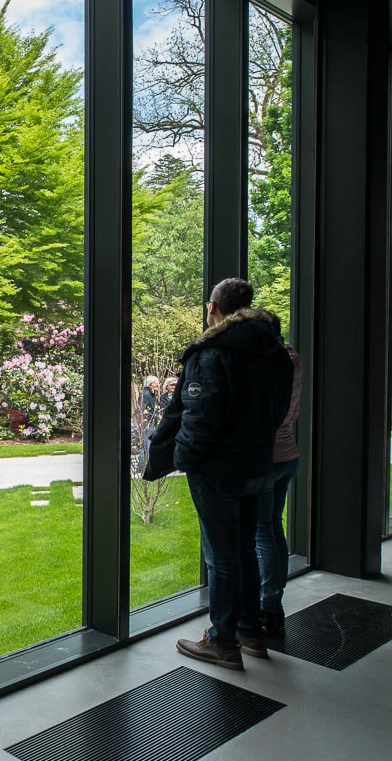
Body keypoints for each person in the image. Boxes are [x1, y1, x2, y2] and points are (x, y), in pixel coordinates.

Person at [145, 278, 293, 671]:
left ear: (213, 308)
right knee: (245, 550)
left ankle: (223, 641)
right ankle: (250, 632)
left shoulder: (212, 353)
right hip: (259, 463)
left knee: (222, 558)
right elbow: (278, 412)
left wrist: (181, 457)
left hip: (218, 470)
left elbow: (198, 419)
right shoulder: (274, 351)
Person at [256, 316, 302, 637]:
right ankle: (275, 605)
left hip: (268, 458)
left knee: (262, 535)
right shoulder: (292, 359)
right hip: (288, 454)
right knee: (274, 529)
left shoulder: (269, 364)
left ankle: (267, 605)